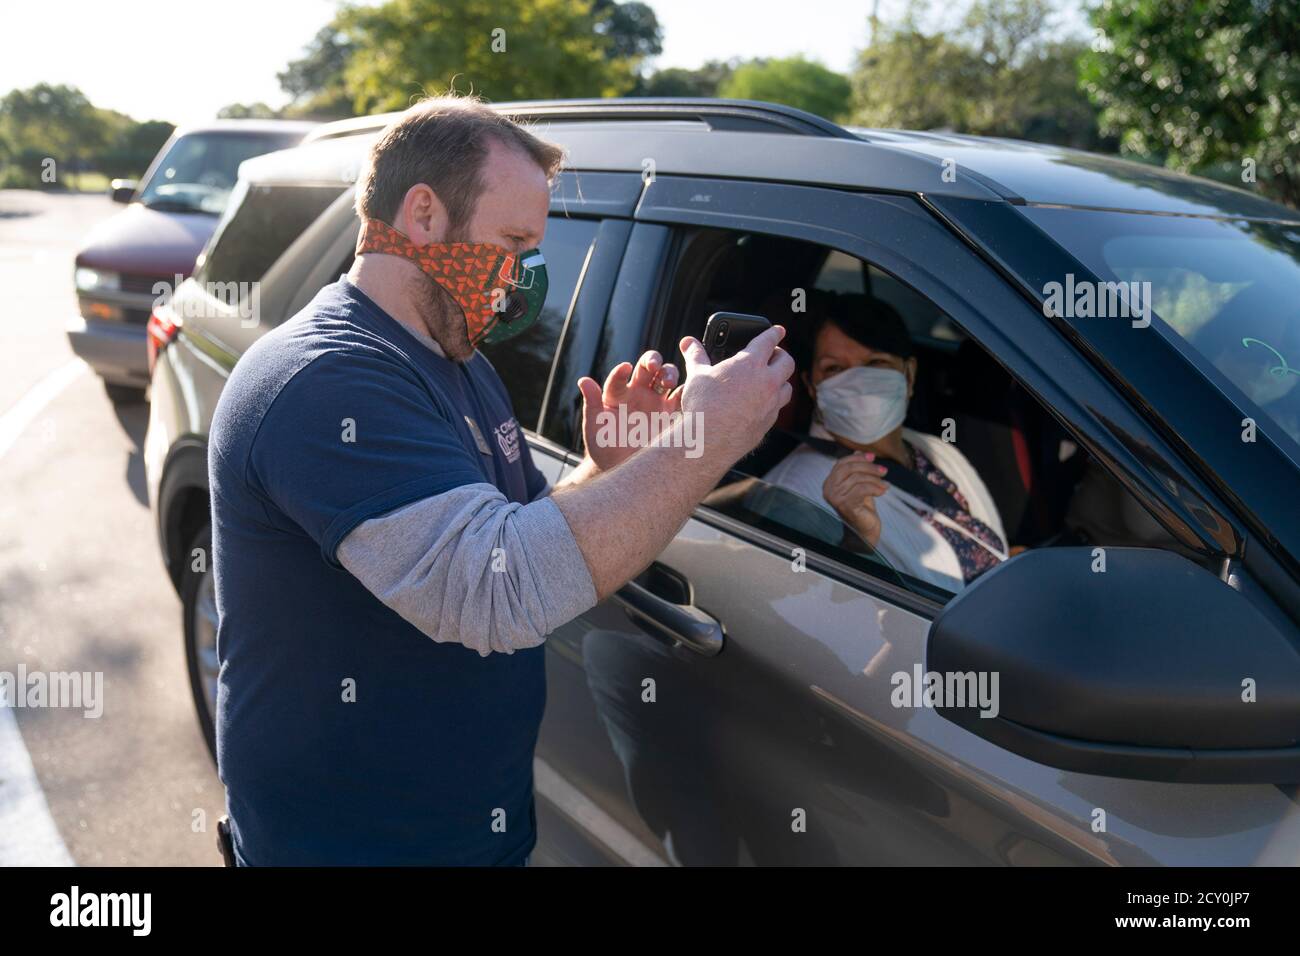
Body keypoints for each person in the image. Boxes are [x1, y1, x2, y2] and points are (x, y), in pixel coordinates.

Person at [208, 95, 794, 865]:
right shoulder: (326, 380)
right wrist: (706, 441)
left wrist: (607, 469)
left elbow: (503, 534)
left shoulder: (460, 363)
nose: (522, 277)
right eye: (513, 242)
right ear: (422, 215)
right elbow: (497, 589)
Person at [764, 291, 1007, 593]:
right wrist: (857, 542)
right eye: (834, 369)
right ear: (811, 387)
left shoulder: (937, 450)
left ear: (909, 374)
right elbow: (803, 604)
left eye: (876, 362)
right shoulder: (791, 492)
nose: (857, 382)